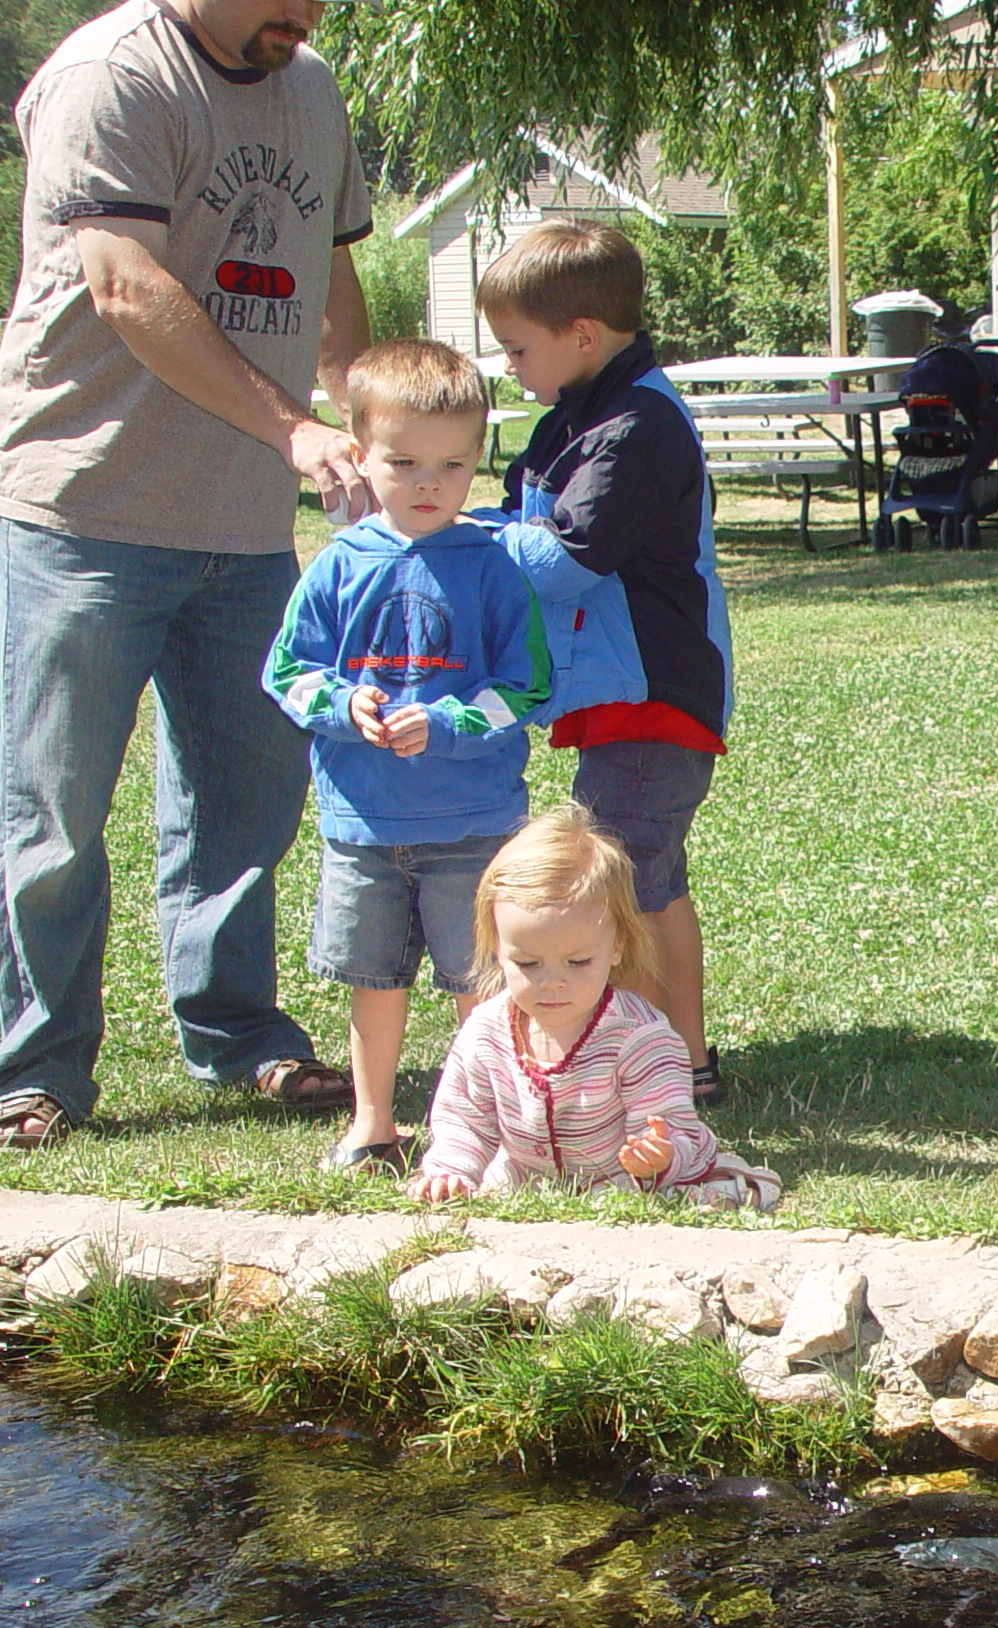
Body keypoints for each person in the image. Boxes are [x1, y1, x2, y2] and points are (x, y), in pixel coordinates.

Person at [0, 0, 378, 1148]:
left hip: (246, 525)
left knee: (244, 806)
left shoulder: (311, 88)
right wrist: (291, 430)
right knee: (51, 811)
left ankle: (240, 1037)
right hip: (84, 511)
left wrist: (375, 430)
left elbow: (333, 288)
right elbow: (126, 286)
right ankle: (34, 1068)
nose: (304, 12)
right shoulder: (111, 74)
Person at [264, 340, 552, 1173]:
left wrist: (453, 719)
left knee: (480, 988)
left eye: (452, 465)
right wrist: (342, 705)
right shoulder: (337, 565)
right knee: (375, 979)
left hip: (474, 824)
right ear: (358, 456)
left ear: (477, 463)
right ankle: (374, 1123)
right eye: (404, 462)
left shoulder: (495, 567)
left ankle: (484, 1133)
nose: (429, 483)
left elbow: (527, 686)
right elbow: (288, 670)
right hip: (363, 823)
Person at [474, 219, 736, 1110]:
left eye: (517, 348)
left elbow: (569, 557)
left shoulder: (630, 426)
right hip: (635, 695)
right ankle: (686, 1061)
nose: (510, 366)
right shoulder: (590, 412)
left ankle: (646, 1082)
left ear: (582, 336)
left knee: (617, 898)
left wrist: (462, 543)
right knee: (655, 888)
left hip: (650, 698)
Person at [404, 805, 777, 1209]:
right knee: (491, 1189)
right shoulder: (486, 1032)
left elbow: (671, 1125)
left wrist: (657, 1157)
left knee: (706, 1196)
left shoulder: (638, 1038)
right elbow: (464, 1118)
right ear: (497, 948)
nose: (551, 981)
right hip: (523, 1180)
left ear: (616, 945)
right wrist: (452, 1170)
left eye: (578, 962)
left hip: (621, 1182)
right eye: (528, 963)